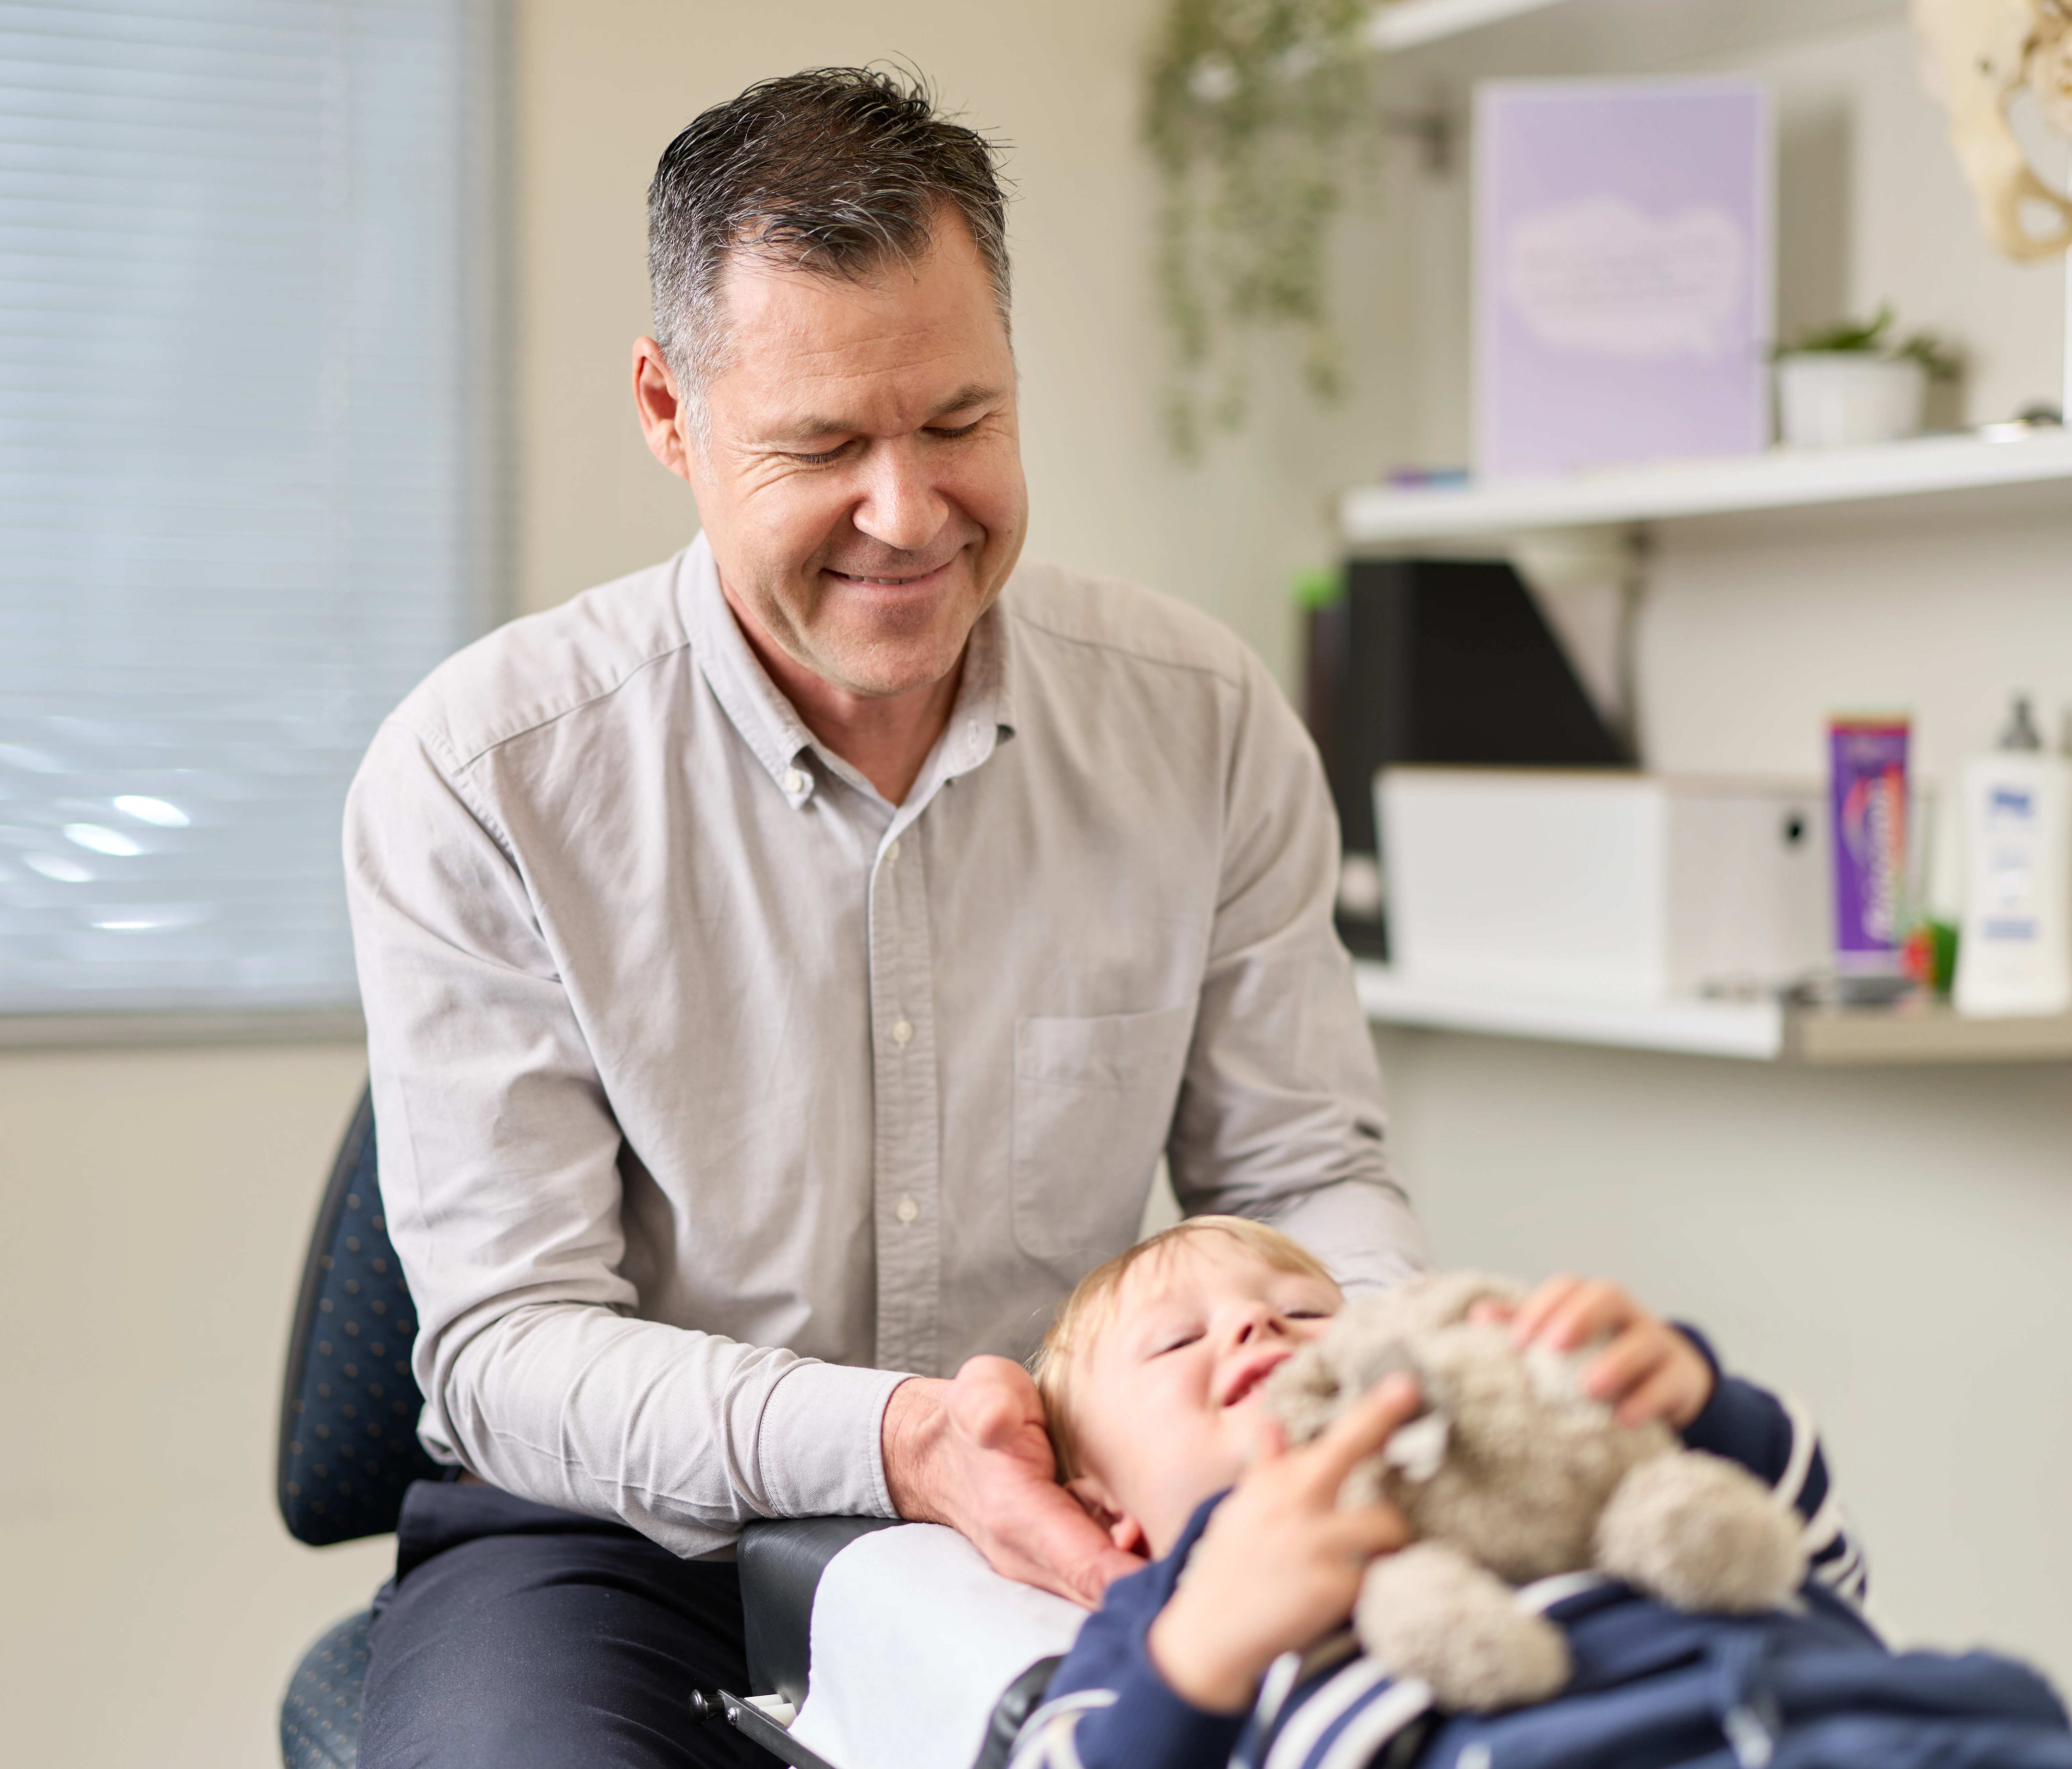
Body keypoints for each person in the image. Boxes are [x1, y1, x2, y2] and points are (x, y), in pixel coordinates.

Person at [339, 67, 1425, 1769]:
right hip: (627, 1544)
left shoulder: (1201, 723)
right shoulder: (486, 774)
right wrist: (906, 1440)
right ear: (668, 411)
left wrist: (1372, 1377)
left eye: (959, 424)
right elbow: (506, 1348)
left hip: (1102, 1511)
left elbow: (1298, 1178)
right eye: (824, 447)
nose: (909, 517)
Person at [1012, 1218, 2072, 1769]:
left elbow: (1817, 1564)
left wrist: (1700, 1407)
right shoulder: (1168, 1607)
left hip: (1876, 1725)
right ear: (1114, 1508)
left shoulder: (1529, 1430)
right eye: (1175, 1345)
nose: (1256, 1326)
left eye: (1305, 1311)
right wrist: (1196, 1662)